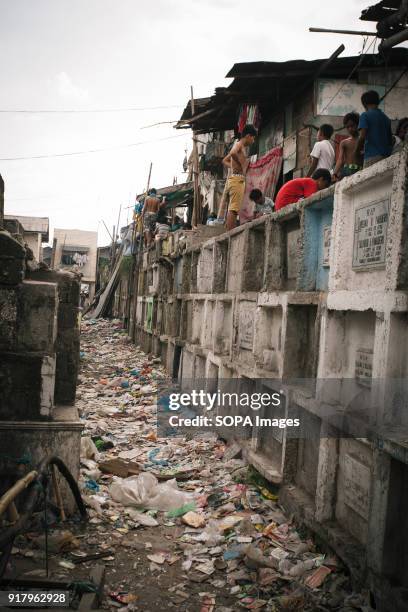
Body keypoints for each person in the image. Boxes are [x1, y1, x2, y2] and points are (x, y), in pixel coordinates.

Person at [222, 125, 257, 231]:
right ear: (248, 136)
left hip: (235, 178)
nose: (253, 140)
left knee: (233, 207)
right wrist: (241, 165)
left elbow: (224, 160)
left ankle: (229, 232)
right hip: (237, 179)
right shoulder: (239, 144)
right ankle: (230, 234)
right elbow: (232, 153)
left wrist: (234, 166)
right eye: (253, 137)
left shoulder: (239, 145)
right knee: (234, 209)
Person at [355, 90, 392, 168]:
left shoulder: (365, 115)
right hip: (387, 157)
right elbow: (390, 140)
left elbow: (362, 136)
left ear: (364, 104)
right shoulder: (386, 118)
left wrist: (356, 152)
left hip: (371, 157)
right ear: (377, 102)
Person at [333, 113, 363, 181]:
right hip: (346, 172)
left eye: (352, 126)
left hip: (360, 171)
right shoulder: (344, 142)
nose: (350, 129)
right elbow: (340, 160)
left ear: (358, 124)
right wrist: (334, 173)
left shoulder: (363, 140)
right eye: (347, 127)